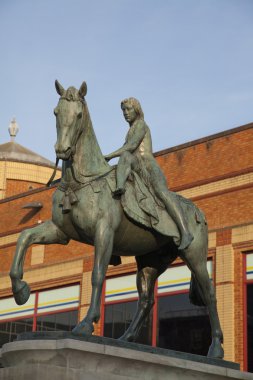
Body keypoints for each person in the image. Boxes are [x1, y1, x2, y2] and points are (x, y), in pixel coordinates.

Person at [104, 97, 193, 250]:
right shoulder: (130, 129)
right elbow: (127, 153)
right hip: (135, 166)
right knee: (118, 168)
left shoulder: (141, 125)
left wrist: (110, 155)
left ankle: (185, 232)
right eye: (123, 110)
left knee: (162, 193)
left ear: (136, 110)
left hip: (148, 166)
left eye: (128, 109)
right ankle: (120, 190)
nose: (125, 113)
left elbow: (131, 146)